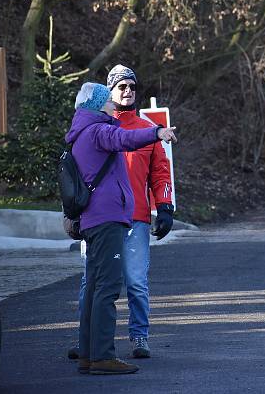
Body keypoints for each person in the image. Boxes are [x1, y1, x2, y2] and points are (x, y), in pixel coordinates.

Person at [66, 82, 177, 375]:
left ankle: (88, 355)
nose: (114, 105)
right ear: (97, 104)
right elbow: (126, 138)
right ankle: (103, 356)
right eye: (108, 101)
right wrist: (156, 132)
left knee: (93, 286)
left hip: (93, 219)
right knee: (107, 287)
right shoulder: (99, 130)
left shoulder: (81, 132)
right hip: (107, 220)